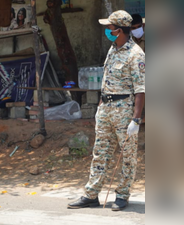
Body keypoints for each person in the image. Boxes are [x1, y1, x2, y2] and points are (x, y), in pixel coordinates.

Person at [67, 10, 145, 211]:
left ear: (118, 30)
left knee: (127, 156)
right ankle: (91, 195)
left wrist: (136, 119)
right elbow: (107, 79)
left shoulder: (136, 54)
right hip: (106, 109)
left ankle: (122, 195)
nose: (107, 31)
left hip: (124, 111)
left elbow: (141, 89)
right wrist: (101, 104)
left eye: (110, 28)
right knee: (100, 153)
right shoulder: (112, 49)